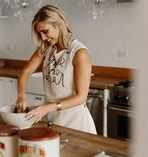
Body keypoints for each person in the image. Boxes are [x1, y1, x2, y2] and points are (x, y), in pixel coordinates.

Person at [16, 4, 97, 134]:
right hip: (53, 121)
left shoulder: (79, 52)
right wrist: (21, 95)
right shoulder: (46, 48)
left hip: (76, 124)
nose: (42, 38)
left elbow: (81, 97)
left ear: (59, 24)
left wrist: (47, 108)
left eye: (45, 31)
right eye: (39, 33)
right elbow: (25, 72)